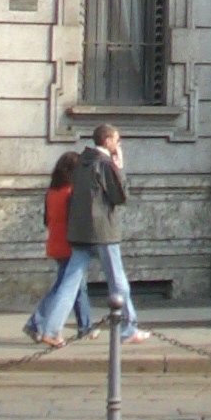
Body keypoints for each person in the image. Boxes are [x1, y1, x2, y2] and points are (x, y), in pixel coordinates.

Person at [24, 125, 148, 348]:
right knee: (118, 281)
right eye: (117, 140)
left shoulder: (81, 162)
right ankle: (129, 329)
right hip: (102, 231)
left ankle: (51, 331)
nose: (119, 144)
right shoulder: (105, 163)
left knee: (69, 283)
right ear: (107, 142)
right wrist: (120, 167)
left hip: (80, 232)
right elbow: (120, 196)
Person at [42, 150, 93, 339]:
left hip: (55, 243)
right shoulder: (71, 193)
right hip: (69, 245)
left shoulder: (51, 193)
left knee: (78, 287)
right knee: (65, 288)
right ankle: (37, 322)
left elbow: (46, 220)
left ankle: (85, 326)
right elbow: (75, 220)